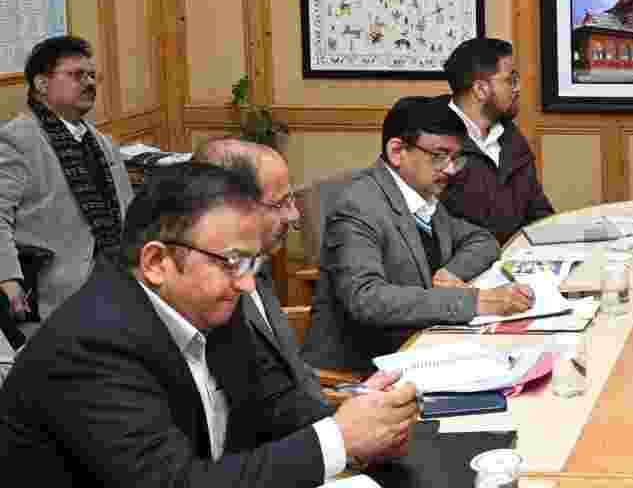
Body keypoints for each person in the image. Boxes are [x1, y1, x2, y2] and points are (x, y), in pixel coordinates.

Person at [0, 162, 418, 486]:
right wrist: (338, 440)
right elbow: (175, 483)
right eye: (233, 262)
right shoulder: (92, 345)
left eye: (252, 263)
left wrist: (362, 418)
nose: (247, 283)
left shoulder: (207, 302)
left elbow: (272, 405)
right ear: (156, 262)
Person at [302, 97, 534, 373]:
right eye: (439, 156)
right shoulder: (357, 206)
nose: (450, 169)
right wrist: (475, 301)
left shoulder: (422, 197)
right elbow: (367, 299)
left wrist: (449, 273)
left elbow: (482, 240)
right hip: (362, 373)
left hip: (423, 350)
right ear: (397, 151)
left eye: (455, 158)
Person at [193, 137, 328, 432]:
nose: (294, 216)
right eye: (281, 203)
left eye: (292, 200)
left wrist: (340, 423)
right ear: (229, 206)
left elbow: (295, 373)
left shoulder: (258, 262)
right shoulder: (207, 299)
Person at [0, 35, 133, 332]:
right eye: (76, 75)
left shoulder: (101, 142)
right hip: (55, 292)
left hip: (115, 277)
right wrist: (9, 282)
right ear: (41, 84)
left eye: (92, 76)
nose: (89, 83)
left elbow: (129, 210)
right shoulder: (16, 141)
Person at [440, 38, 555, 247]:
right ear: (481, 89)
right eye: (511, 80)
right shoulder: (432, 144)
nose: (518, 88)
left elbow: (539, 212)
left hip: (520, 259)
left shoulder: (511, 137)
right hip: (465, 264)